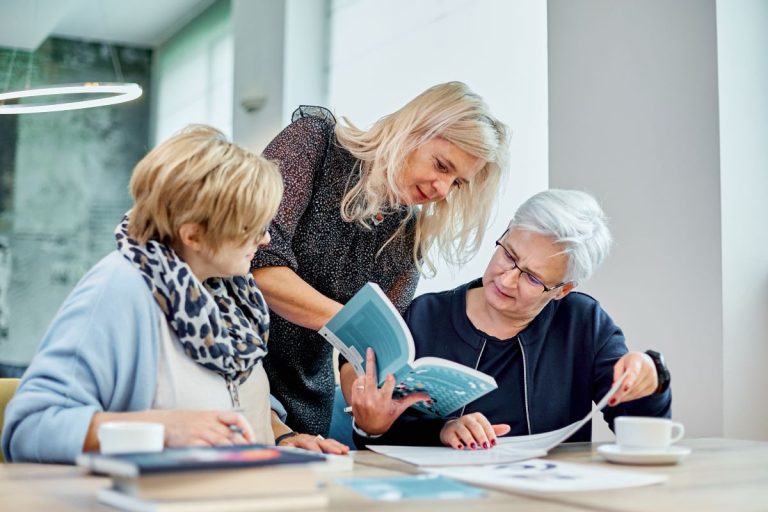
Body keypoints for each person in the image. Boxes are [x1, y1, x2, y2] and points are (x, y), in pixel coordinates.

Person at [2, 125, 347, 463]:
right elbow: (29, 428)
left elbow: (235, 399)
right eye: (249, 227)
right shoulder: (122, 287)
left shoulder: (232, 294)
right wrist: (160, 429)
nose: (266, 239)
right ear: (193, 235)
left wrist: (281, 436)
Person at [251, 82, 510, 436]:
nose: (441, 189)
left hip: (304, 404)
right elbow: (258, 264)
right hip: (235, 372)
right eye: (441, 165)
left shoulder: (407, 239)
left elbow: (358, 362)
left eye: (457, 183)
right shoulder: (314, 144)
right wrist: (357, 328)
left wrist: (371, 413)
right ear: (414, 128)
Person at [341, 189, 672, 449]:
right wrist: (386, 428)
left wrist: (650, 380)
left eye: (532, 278)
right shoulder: (422, 318)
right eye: (509, 254)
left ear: (562, 290)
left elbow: (640, 431)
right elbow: (380, 447)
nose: (507, 279)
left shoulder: (583, 323)